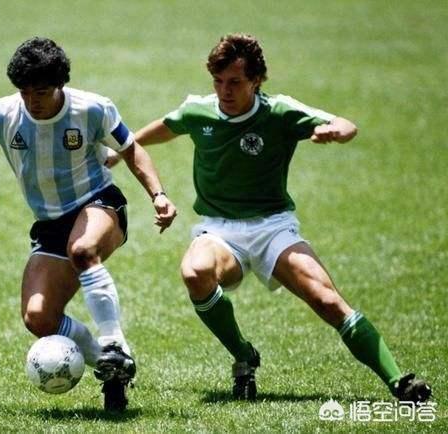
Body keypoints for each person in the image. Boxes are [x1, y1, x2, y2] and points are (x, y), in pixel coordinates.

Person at [128, 33, 432, 402]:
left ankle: (400, 382)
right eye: (218, 81)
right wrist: (120, 151)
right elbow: (161, 129)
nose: (224, 91)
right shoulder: (197, 110)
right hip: (219, 230)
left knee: (327, 301)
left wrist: (337, 131)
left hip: (273, 227)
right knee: (195, 273)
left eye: (235, 82)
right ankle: (244, 355)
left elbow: (345, 124)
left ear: (256, 80)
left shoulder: (280, 112)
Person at [0, 37, 177, 412]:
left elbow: (131, 149)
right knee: (38, 317)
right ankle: (111, 366)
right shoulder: (2, 112)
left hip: (99, 203)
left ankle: (113, 341)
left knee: (83, 249)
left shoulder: (92, 109)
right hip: (50, 223)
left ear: (60, 84)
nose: (32, 101)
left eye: (42, 92)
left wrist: (158, 195)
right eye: (25, 91)